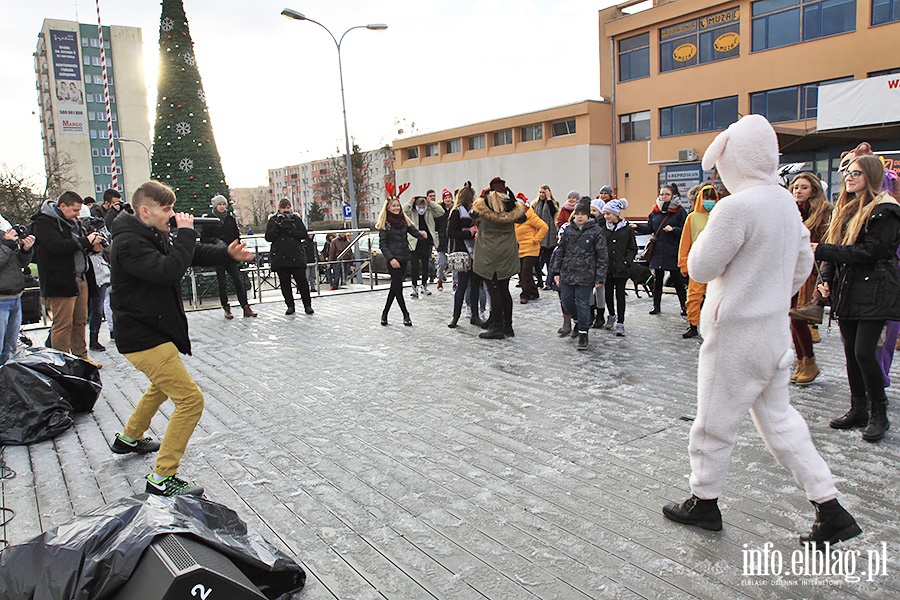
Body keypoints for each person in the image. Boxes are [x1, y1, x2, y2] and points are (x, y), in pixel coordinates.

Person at [663, 115, 861, 548]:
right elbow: (802, 267)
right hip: (772, 333)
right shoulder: (785, 204)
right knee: (781, 422)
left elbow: (700, 267)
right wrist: (769, 294)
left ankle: (704, 501)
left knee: (713, 423)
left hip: (735, 334)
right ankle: (829, 506)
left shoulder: (737, 206)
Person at [108, 180, 253, 497]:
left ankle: (130, 437)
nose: (172, 215)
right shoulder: (129, 243)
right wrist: (187, 232)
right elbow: (168, 270)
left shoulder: (147, 232)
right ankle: (163, 476)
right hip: (142, 337)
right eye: (167, 209)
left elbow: (189, 254)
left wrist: (226, 253)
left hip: (151, 331)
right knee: (190, 400)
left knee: (161, 386)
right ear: (145, 210)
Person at [815, 154, 900, 442]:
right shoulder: (846, 208)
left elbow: (870, 252)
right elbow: (835, 247)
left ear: (872, 177)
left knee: (865, 351)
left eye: (857, 173)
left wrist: (822, 251)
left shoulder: (885, 210)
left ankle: (880, 413)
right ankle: (859, 408)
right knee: (851, 352)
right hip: (849, 288)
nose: (849, 177)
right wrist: (825, 278)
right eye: (847, 173)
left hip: (876, 288)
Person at [32, 191, 104, 368]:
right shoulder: (44, 222)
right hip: (60, 281)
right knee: (63, 324)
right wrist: (85, 241)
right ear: (62, 206)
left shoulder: (73, 223)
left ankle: (81, 358)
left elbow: (77, 247)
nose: (77, 215)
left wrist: (92, 247)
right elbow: (56, 246)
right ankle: (61, 363)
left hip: (80, 277)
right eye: (74, 210)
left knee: (80, 321)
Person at [787, 173, 832, 385]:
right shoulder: (790, 211)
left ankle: (810, 361)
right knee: (791, 316)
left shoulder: (823, 212)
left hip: (811, 271)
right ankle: (801, 361)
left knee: (799, 317)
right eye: (795, 187)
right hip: (790, 270)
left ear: (813, 189)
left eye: (803, 187)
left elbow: (826, 242)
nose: (798, 191)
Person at [471, 177, 526, 339]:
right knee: (504, 290)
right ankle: (507, 326)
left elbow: (472, 213)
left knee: (494, 290)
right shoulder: (511, 209)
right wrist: (513, 200)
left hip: (489, 255)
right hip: (507, 254)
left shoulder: (483, 207)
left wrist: (482, 197)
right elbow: (523, 217)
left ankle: (497, 327)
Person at [551, 199, 607, 350]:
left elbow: (602, 256)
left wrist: (599, 277)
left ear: (588, 215)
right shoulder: (569, 230)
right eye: (578, 214)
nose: (580, 217)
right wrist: (556, 271)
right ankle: (577, 320)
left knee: (583, 303)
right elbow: (560, 251)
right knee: (566, 301)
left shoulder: (596, 231)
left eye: (583, 214)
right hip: (568, 273)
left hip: (586, 274)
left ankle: (583, 333)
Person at [634, 184, 688, 316]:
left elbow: (685, 230)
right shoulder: (655, 212)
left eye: (667, 194)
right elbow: (650, 228)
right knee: (657, 281)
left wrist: (674, 229)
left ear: (673, 196)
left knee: (678, 280)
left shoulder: (680, 212)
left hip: (672, 250)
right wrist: (637, 227)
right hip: (658, 251)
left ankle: (684, 307)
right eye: (662, 194)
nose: (664, 197)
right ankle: (656, 306)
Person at [201, 194, 256, 319]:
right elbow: (204, 238)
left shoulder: (230, 218)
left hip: (230, 254)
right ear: (215, 206)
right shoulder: (209, 219)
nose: (222, 207)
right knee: (222, 282)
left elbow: (236, 235)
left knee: (238, 280)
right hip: (217, 254)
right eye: (219, 204)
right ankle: (226, 308)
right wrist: (215, 241)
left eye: (224, 204)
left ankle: (245, 306)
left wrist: (237, 249)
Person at [377, 193, 426, 326]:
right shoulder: (385, 223)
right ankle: (406, 314)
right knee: (398, 288)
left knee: (395, 287)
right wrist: (391, 258)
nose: (397, 208)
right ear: (388, 208)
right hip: (393, 259)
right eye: (394, 206)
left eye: (398, 205)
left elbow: (413, 231)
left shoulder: (403, 220)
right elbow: (383, 245)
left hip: (404, 257)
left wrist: (421, 234)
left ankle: (385, 313)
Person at [677, 184, 718, 339]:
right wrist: (683, 263)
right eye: (706, 198)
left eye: (712, 198)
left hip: (717, 264)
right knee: (694, 295)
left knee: (715, 297)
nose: (709, 201)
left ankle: (714, 326)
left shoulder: (721, 216)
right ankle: (693, 325)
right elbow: (685, 242)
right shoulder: (692, 218)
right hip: (698, 262)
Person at [266, 198, 314, 316]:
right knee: (284, 282)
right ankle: (290, 305)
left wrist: (291, 231)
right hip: (280, 256)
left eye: (288, 208)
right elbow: (268, 237)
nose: (286, 210)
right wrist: (278, 227)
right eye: (284, 208)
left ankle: (307, 305)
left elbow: (303, 234)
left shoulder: (296, 219)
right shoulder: (273, 220)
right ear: (279, 209)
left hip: (296, 255)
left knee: (302, 281)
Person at [446, 186, 482, 329]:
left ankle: (475, 315)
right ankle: (455, 316)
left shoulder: (475, 212)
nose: (475, 198)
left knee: (475, 286)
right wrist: (468, 232)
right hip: (462, 253)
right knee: (461, 286)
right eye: (474, 196)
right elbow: (450, 233)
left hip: (475, 252)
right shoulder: (456, 212)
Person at [601, 198, 637, 337]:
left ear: (616, 214)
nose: (606, 217)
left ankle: (621, 321)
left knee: (620, 295)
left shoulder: (627, 229)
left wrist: (627, 262)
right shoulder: (604, 229)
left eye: (608, 214)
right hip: (608, 268)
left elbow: (632, 248)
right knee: (608, 294)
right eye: (604, 214)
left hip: (621, 269)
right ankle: (611, 314)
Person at [0, 225, 35, 363]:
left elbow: (19, 263)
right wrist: (8, 245)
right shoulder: (6, 242)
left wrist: (26, 250)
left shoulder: (4, 237)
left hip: (15, 297)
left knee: (10, 345)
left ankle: (5, 377)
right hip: (1, 299)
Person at [404, 192, 443, 297]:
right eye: (419, 206)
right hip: (414, 241)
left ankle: (424, 285)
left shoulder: (429, 211)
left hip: (426, 241)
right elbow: (403, 211)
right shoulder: (412, 212)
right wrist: (410, 202)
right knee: (414, 266)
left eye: (423, 206)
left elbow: (441, 211)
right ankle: (414, 287)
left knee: (426, 265)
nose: (421, 208)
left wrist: (430, 202)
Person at [514, 194, 548, 304]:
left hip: (531, 249)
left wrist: (535, 239)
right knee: (521, 272)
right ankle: (533, 292)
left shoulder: (530, 216)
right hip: (519, 249)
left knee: (526, 273)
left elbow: (544, 227)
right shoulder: (514, 217)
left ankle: (525, 295)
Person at [532, 185, 558, 290]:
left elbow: (553, 212)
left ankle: (549, 281)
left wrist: (549, 199)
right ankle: (539, 280)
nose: (542, 194)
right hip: (537, 235)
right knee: (536, 261)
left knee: (549, 260)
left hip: (548, 236)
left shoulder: (553, 204)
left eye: (544, 192)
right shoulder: (535, 204)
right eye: (540, 192)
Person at [434, 188, 454, 291]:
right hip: (442, 240)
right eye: (446, 197)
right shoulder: (440, 210)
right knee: (442, 263)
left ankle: (455, 282)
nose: (448, 199)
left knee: (454, 263)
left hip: (453, 239)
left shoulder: (454, 209)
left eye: (449, 197)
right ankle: (440, 279)